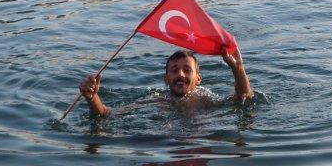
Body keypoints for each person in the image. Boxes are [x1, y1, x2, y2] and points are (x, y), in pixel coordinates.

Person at [78, 49, 254, 118]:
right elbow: (108, 114)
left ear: (198, 79)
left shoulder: (206, 99)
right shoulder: (156, 99)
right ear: (166, 79)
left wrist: (238, 68)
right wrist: (92, 97)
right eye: (174, 70)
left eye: (187, 70)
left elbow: (244, 98)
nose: (181, 74)